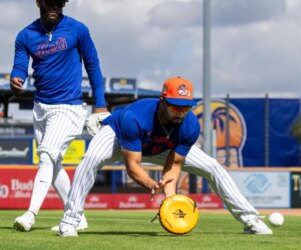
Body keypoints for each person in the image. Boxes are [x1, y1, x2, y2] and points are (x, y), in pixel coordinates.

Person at [58, 76, 272, 237]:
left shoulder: (189, 125)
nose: (180, 112)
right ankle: (70, 221)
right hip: (117, 137)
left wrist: (170, 198)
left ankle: (250, 220)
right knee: (91, 159)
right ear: (162, 100)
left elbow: (175, 163)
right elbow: (133, 166)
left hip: (162, 146)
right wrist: (151, 183)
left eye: (185, 107)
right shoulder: (136, 118)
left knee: (213, 166)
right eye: (175, 106)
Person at [10, 0, 109, 232]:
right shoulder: (25, 35)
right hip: (41, 107)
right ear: (38, 2)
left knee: (46, 156)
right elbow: (19, 67)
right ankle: (77, 216)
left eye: (59, 1)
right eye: (49, 1)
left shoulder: (78, 29)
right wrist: (16, 80)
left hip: (69, 107)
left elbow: (93, 65)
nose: (55, 5)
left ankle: (30, 214)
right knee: (53, 164)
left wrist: (101, 104)